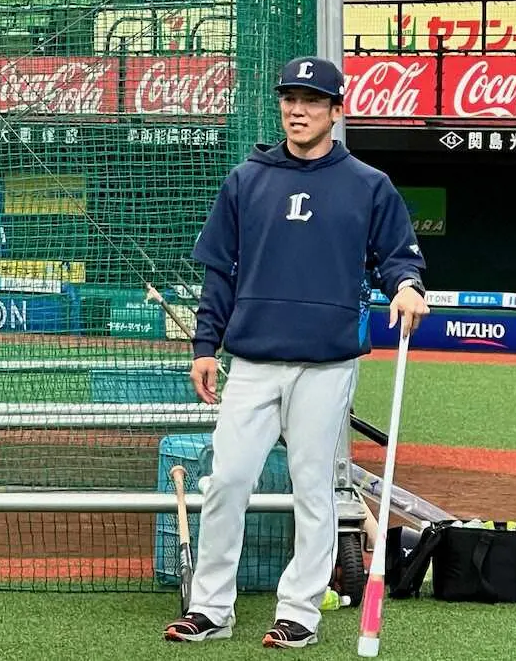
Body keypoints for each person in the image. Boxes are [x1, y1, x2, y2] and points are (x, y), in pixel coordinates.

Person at [163, 56, 430, 649]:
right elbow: (220, 276)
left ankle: (300, 613)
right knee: (227, 480)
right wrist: (206, 345)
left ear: (337, 111)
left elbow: (399, 259)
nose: (297, 109)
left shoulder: (368, 185)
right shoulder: (246, 180)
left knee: (313, 488)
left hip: (326, 364)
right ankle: (210, 607)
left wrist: (407, 288)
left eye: (311, 100)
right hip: (252, 362)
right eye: (289, 98)